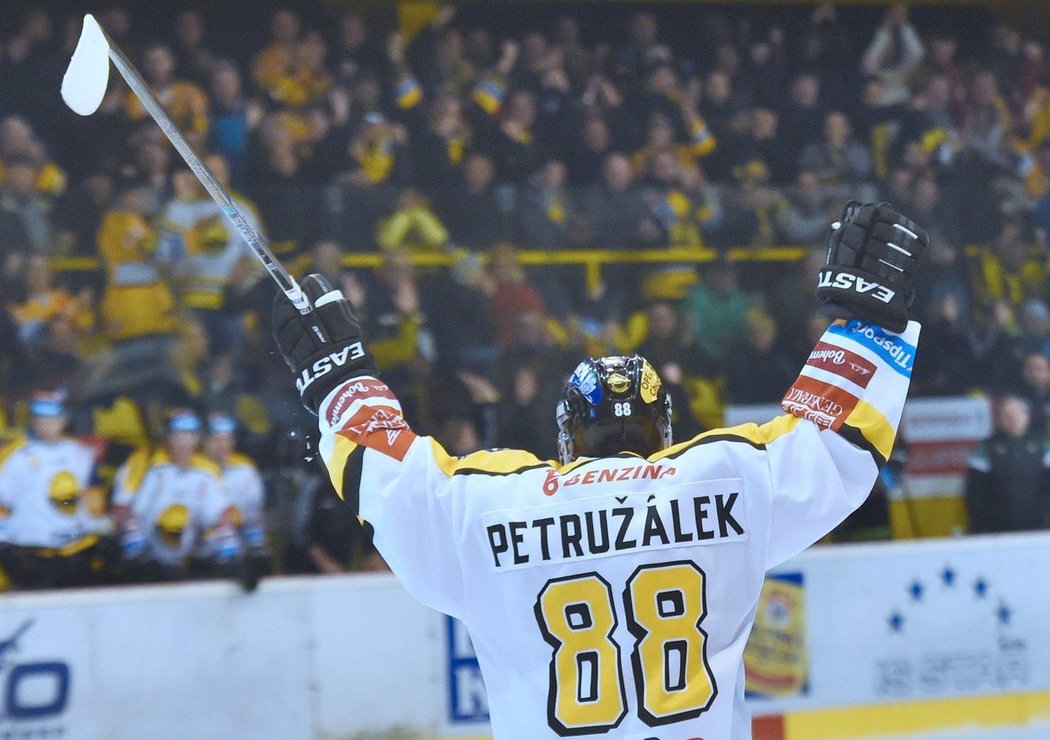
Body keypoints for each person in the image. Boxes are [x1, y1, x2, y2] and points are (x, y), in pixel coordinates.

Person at [272, 201, 926, 738]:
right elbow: (834, 446)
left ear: (568, 434)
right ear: (664, 427)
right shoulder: (723, 477)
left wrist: (345, 385)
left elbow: (393, 483)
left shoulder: (500, 505)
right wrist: (864, 324)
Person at [0, 391, 112, 589]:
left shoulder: (81, 454)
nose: (47, 424)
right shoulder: (14, 456)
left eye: (52, 418)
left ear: (63, 420)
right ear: (33, 420)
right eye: (41, 418)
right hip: (32, 556)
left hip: (76, 551)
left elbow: (93, 501)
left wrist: (93, 527)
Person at [113, 409, 241, 582]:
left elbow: (220, 518)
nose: (183, 443)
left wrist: (231, 558)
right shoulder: (144, 463)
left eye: (188, 435)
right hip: (146, 563)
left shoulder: (206, 471)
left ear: (197, 439)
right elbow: (121, 509)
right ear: (167, 438)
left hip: (188, 565)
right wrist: (138, 551)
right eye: (177, 435)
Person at [965, 394, 1050, 533]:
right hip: (996, 530)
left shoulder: (1043, 447)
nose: (1012, 419)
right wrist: (979, 528)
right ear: (1000, 420)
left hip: (1037, 528)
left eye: (1016, 413)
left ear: (1026, 416)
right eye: (1007, 414)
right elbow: (975, 494)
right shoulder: (985, 449)